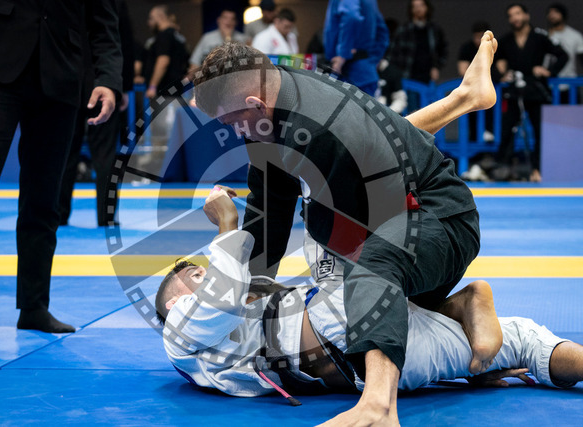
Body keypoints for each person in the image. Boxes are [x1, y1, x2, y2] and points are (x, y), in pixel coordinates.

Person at [193, 32, 501, 424]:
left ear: (254, 104)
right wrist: (250, 287)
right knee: (352, 288)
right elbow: (270, 204)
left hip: (440, 219)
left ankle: (379, 406)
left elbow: (370, 241)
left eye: (231, 122)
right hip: (387, 204)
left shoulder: (323, 130)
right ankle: (458, 305)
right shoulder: (269, 105)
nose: (235, 133)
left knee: (368, 272)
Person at [157, 187, 583, 408]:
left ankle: (460, 102)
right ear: (174, 304)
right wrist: (226, 224)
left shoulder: (221, 336)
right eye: (196, 274)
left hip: (344, 317)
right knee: (519, 339)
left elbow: (229, 291)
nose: (207, 270)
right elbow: (221, 299)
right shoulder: (179, 334)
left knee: (325, 187)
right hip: (347, 331)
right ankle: (458, 303)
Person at [0, 1, 122, 333]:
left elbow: (104, 23)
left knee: (44, 196)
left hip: (60, 69)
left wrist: (108, 79)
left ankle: (34, 306)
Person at [59, 0, 136, 228]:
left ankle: (59, 212)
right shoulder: (114, 4)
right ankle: (107, 216)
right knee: (105, 154)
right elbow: (124, 41)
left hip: (68, 80)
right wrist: (123, 87)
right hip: (102, 79)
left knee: (65, 151)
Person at [495, 3, 568, 183]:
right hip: (514, 91)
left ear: (526, 15)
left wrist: (549, 71)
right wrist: (502, 75)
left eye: (518, 13)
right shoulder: (505, 40)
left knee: (540, 131)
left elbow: (563, 55)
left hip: (536, 90)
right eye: (511, 15)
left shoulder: (540, 36)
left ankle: (539, 169)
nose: (515, 18)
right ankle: (503, 170)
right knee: (507, 131)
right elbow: (493, 61)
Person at [323, 0, 390, 95]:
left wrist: (343, 55)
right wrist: (371, 60)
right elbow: (382, 32)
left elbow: (351, 16)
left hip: (347, 73)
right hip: (365, 73)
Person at [385, 0, 448, 85]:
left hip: (428, 77)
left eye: (421, 5)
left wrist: (436, 67)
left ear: (427, 8)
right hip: (407, 77)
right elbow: (392, 54)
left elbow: (443, 50)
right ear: (411, 10)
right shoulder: (403, 30)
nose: (418, 9)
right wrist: (397, 73)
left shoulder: (434, 30)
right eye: (415, 6)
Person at [458, 21, 496, 143]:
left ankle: (490, 136)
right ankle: (473, 140)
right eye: (476, 37)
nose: (479, 41)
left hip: (492, 89)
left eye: (482, 37)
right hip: (472, 90)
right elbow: (463, 70)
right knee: (471, 115)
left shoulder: (494, 48)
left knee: (492, 110)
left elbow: (500, 70)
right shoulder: (466, 48)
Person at [546, 3, 583, 103]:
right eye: (550, 13)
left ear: (563, 14)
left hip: (570, 83)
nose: (552, 15)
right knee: (549, 113)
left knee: (573, 112)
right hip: (549, 84)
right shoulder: (545, 36)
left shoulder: (575, 36)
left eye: (556, 12)